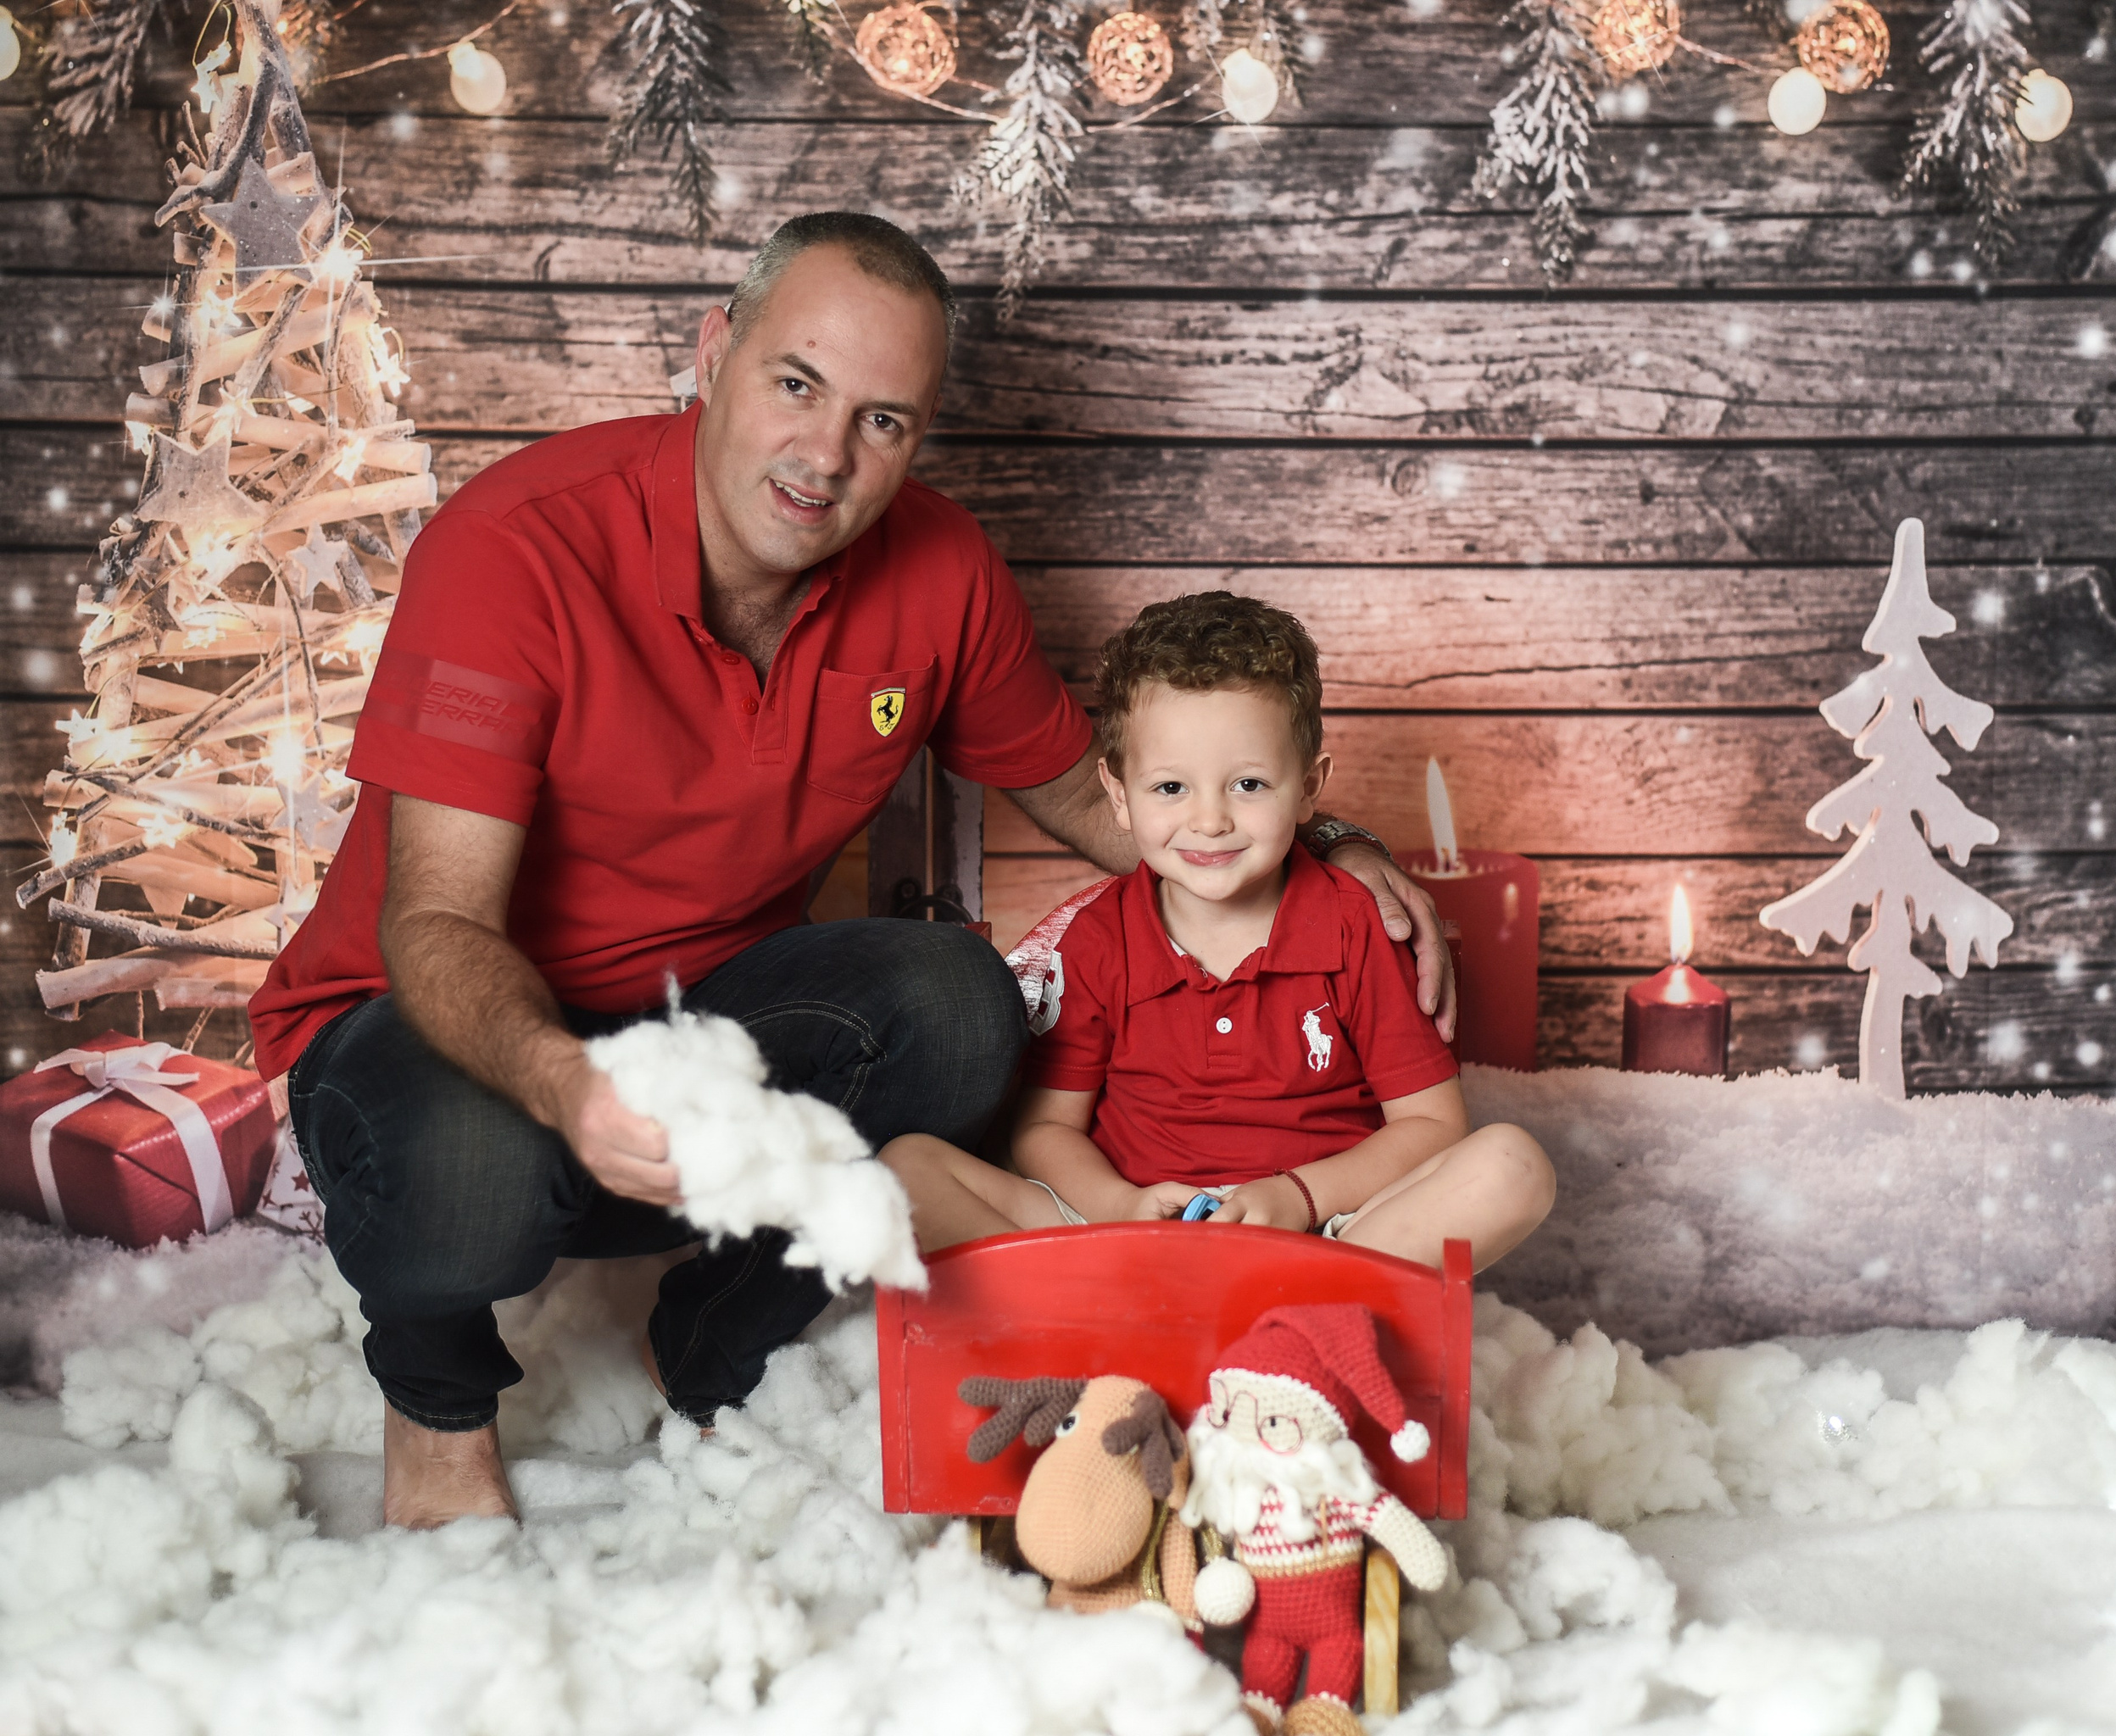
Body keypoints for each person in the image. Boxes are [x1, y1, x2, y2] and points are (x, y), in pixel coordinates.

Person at [247, 214, 1454, 1529]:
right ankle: (436, 1407)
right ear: (714, 353)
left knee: (963, 1004)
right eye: (797, 384)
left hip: (705, 1032)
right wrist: (566, 1083)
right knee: (475, 1163)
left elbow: (1086, 790)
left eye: (883, 421)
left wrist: (1325, 843)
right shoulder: (514, 549)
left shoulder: (939, 570)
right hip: (434, 1041)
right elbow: (435, 923)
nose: (826, 456)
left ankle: (703, 1333)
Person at [881, 593, 1555, 1271]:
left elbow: (1433, 1125)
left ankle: (1293, 1312)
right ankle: (1120, 1311)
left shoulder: (1356, 927)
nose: (1210, 822)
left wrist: (1298, 1197)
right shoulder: (1096, 940)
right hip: (1127, 1234)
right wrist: (1118, 1204)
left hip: (1321, 1234)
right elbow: (1045, 1129)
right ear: (1118, 795)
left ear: (1308, 788)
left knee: (1514, 1165)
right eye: (1171, 788)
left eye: (1249, 785)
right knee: (907, 1169)